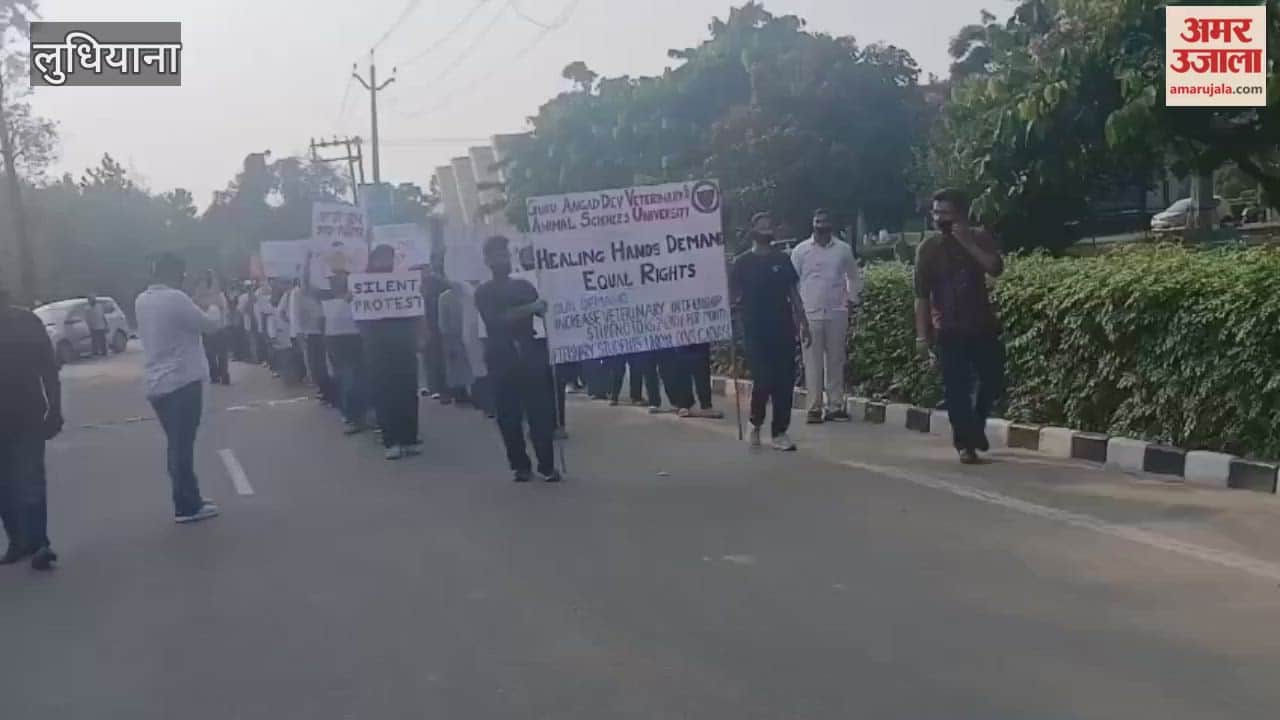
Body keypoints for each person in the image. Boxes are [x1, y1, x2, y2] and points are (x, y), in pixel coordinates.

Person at [914, 188, 1006, 464]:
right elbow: (921, 296)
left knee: (993, 378)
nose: (940, 219)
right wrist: (922, 336)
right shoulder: (928, 249)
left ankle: (976, 426)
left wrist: (967, 243)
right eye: (936, 213)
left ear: (961, 216)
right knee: (956, 389)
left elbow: (995, 268)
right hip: (948, 328)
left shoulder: (978, 237)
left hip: (981, 324)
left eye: (947, 214)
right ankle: (965, 444)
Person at [134, 253, 221, 523]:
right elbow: (210, 325)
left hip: (157, 384)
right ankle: (185, 505)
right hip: (182, 381)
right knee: (182, 446)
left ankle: (189, 496)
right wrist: (213, 302)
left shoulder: (142, 300)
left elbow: (179, 321)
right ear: (175, 274)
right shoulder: (175, 299)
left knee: (176, 444)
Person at [474, 234, 560, 483]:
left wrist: (547, 304)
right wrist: (530, 308)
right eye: (497, 255)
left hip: (530, 351)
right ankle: (520, 466)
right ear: (488, 261)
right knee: (509, 416)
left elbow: (543, 313)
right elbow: (496, 320)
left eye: (505, 254)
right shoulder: (484, 292)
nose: (503, 259)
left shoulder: (524, 286)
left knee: (540, 413)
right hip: (501, 356)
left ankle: (546, 465)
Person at [730, 212, 811, 451]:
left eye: (769, 226)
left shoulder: (783, 260)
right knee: (763, 380)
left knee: (784, 383)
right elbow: (732, 295)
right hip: (755, 329)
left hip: (783, 328)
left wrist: (803, 323)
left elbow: (793, 294)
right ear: (753, 229)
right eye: (761, 226)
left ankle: (779, 432)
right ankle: (755, 422)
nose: (766, 229)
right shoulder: (742, 262)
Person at [0, 281, 62, 570]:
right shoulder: (26, 321)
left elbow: (49, 367)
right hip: (20, 415)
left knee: (29, 480)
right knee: (6, 485)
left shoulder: (27, 322)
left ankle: (39, 543)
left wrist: (56, 407)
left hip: (27, 415)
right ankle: (19, 541)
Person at [791, 209, 863, 424]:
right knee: (812, 363)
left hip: (837, 312)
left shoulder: (842, 249)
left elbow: (854, 277)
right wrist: (797, 312)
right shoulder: (801, 251)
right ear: (812, 224)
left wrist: (851, 300)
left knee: (836, 360)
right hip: (809, 313)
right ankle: (814, 408)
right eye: (818, 221)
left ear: (832, 225)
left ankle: (835, 406)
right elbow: (792, 283)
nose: (821, 225)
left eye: (825, 222)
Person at [360, 244, 421, 460]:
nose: (386, 263)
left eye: (390, 258)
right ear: (373, 260)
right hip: (377, 347)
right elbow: (357, 309)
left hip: (403, 345)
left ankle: (410, 438)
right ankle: (391, 440)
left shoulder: (402, 281)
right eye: (382, 258)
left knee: (407, 390)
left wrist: (420, 332)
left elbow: (414, 309)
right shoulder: (363, 284)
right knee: (384, 392)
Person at [306, 254, 368, 434]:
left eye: (338, 276)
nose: (335, 280)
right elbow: (308, 290)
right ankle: (350, 416)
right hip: (335, 341)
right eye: (332, 277)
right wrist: (308, 261)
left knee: (360, 378)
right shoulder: (323, 295)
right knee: (345, 378)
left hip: (356, 338)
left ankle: (360, 414)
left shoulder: (358, 291)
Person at [291, 279, 334, 405]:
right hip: (311, 333)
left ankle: (331, 391)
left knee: (330, 364)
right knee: (316, 366)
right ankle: (325, 390)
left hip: (330, 331)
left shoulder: (325, 289)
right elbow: (295, 314)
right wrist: (298, 333)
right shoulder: (298, 293)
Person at [437, 277, 474, 405]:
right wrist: (447, 337)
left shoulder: (470, 294)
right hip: (453, 335)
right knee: (455, 365)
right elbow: (443, 321)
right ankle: (459, 394)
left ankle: (472, 393)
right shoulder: (444, 297)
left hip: (469, 332)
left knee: (470, 363)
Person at [195, 271, 231, 385]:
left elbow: (224, 310)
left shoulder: (219, 296)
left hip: (217, 328)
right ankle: (218, 375)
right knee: (214, 353)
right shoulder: (203, 295)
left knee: (217, 353)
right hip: (213, 328)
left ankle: (220, 375)